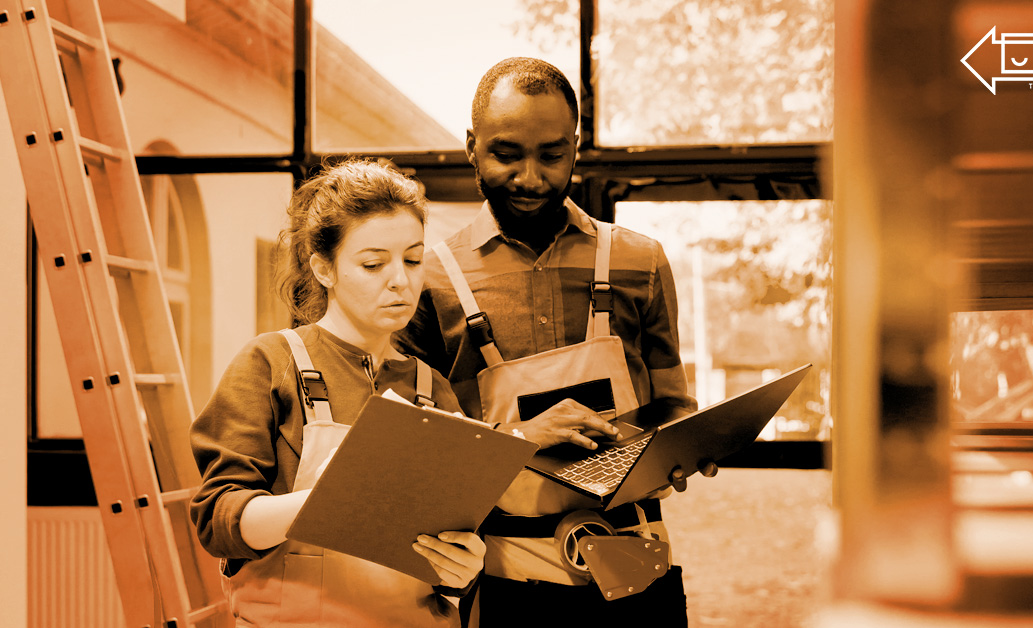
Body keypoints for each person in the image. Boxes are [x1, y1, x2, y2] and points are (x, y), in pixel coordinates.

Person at [393, 57, 712, 627]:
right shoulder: (428, 281)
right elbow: (417, 457)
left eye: (552, 154)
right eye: (506, 154)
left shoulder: (641, 261)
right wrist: (516, 440)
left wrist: (685, 448)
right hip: (503, 579)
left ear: (577, 145)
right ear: (472, 147)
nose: (531, 178)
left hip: (635, 568)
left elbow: (672, 403)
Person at [189, 159, 484, 627]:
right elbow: (218, 520)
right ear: (323, 268)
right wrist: (325, 502)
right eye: (372, 263)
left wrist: (462, 569)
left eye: (411, 259)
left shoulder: (433, 388)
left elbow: (450, 543)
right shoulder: (269, 363)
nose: (400, 280)